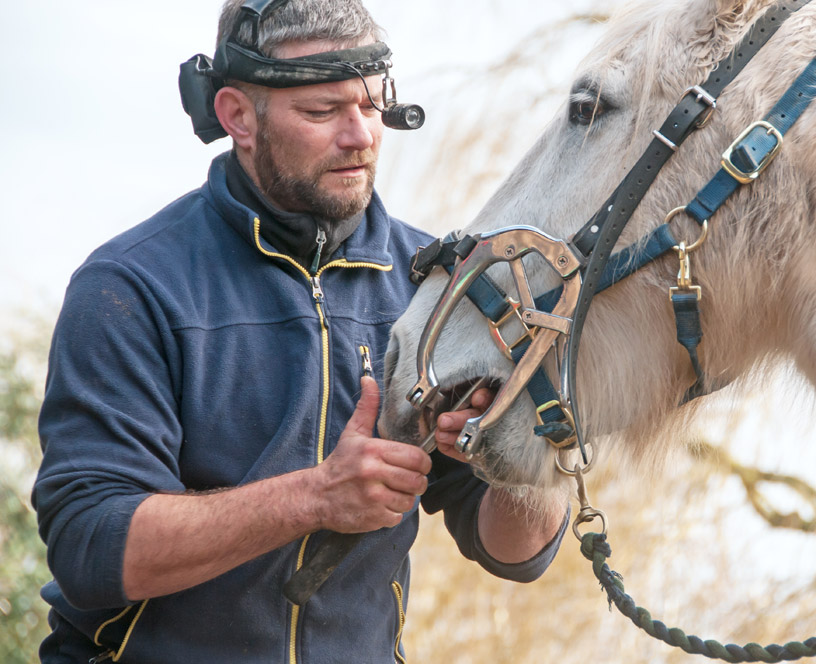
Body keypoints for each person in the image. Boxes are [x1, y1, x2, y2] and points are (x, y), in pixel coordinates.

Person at [31, 1, 569, 662]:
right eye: (321, 112)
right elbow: (92, 546)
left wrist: (535, 450)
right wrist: (316, 498)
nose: (361, 136)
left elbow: (516, 556)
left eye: (373, 106)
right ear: (236, 116)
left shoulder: (440, 290)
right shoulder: (129, 287)